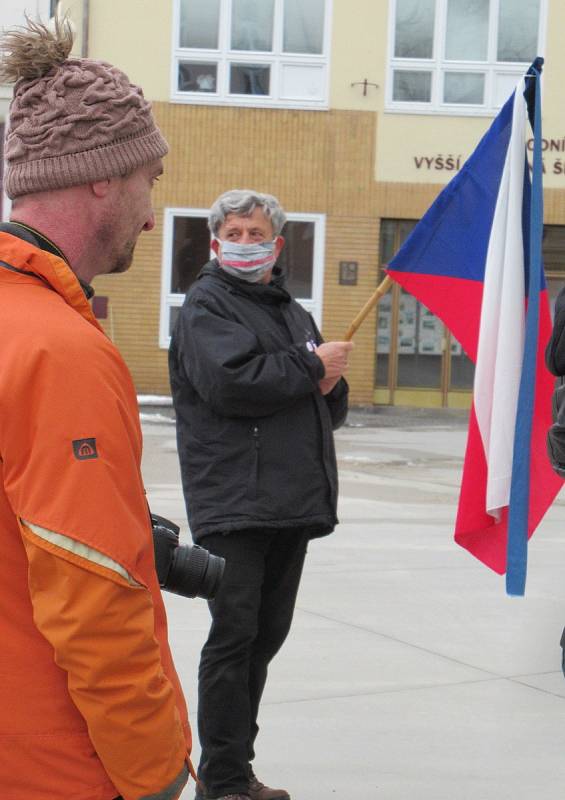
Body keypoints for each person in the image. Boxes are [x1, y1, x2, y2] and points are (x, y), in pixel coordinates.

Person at [0, 18, 192, 800]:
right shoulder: (60, 352)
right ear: (100, 177)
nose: (152, 216)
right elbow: (94, 596)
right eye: (149, 181)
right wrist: (153, 769)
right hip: (56, 765)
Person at [169, 189, 352, 800]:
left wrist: (330, 381)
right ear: (216, 242)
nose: (247, 243)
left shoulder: (291, 312)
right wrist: (309, 369)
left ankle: (238, 770)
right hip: (234, 500)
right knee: (235, 636)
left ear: (278, 243)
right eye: (235, 233)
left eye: (258, 233)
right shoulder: (206, 306)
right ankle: (221, 779)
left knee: (265, 637)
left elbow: (323, 402)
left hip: (290, 501)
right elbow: (231, 383)